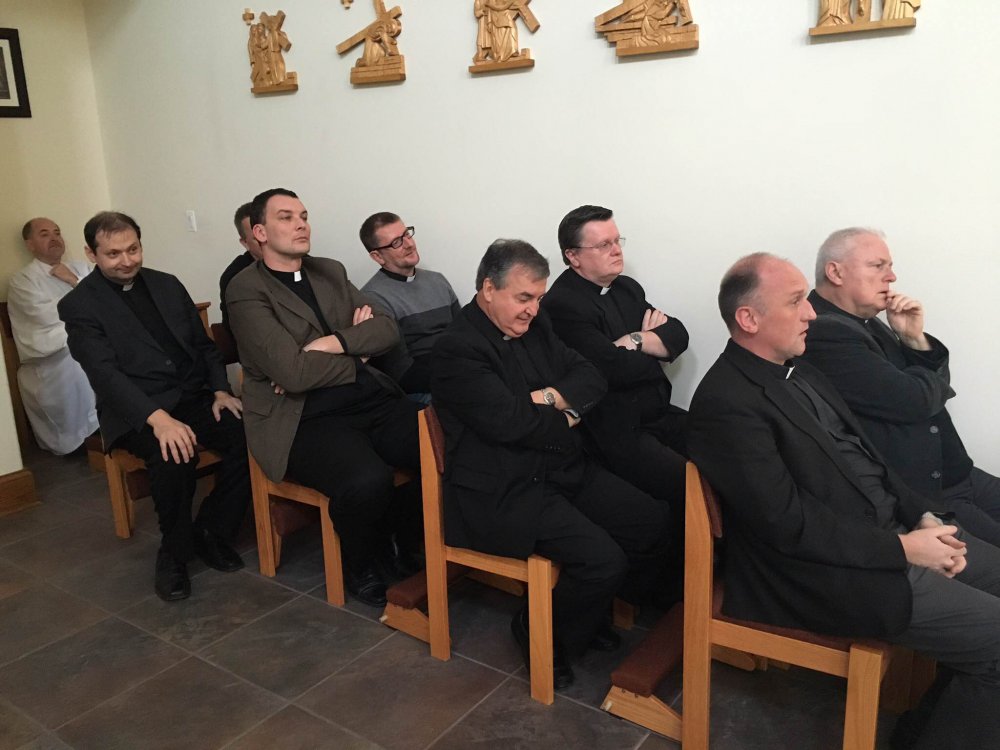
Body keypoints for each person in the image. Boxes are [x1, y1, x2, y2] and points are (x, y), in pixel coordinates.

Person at [687, 252, 1000, 750]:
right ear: (748, 319)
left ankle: (927, 727)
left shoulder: (800, 369)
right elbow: (788, 524)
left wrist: (922, 515)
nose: (811, 312)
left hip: (889, 534)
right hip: (824, 572)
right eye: (795, 302)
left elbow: (873, 461)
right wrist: (904, 549)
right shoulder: (726, 402)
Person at [431, 238, 669, 690]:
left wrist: (547, 400)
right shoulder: (457, 349)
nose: (533, 310)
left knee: (650, 521)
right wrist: (567, 412)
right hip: (505, 488)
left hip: (559, 465)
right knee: (602, 560)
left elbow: (591, 376)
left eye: (539, 298)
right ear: (488, 288)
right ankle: (539, 631)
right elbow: (513, 424)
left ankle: (587, 612)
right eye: (524, 297)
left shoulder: (537, 324)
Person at [227, 189, 422, 608]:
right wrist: (357, 354)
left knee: (442, 447)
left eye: (303, 215)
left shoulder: (329, 270)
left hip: (366, 399)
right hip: (302, 417)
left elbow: (387, 330)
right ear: (259, 232)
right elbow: (292, 375)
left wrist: (331, 344)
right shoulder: (246, 289)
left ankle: (404, 540)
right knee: (367, 480)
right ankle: (360, 563)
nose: (301, 223)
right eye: (286, 217)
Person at [58, 212, 250, 602]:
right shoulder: (79, 305)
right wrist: (158, 420)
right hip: (136, 410)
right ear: (92, 254)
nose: (126, 260)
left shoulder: (166, 284)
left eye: (133, 249)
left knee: (252, 435)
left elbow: (203, 345)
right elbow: (105, 375)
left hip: (193, 397)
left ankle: (211, 530)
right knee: (173, 454)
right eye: (113, 254)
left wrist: (219, 390)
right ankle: (174, 554)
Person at [802, 228, 1000, 546]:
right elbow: (914, 401)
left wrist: (914, 339)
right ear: (835, 272)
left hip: (959, 475)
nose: (892, 277)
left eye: (890, 266)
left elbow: (922, 391)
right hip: (933, 496)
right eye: (877, 266)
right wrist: (930, 383)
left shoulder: (866, 321)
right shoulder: (824, 332)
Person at [542, 205, 688, 523]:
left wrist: (635, 340)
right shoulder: (562, 304)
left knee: (726, 450)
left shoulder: (626, 288)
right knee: (687, 484)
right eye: (603, 245)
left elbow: (679, 335)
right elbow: (613, 370)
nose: (616, 250)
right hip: (616, 430)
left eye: (617, 240)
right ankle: (687, 554)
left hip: (657, 413)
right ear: (573, 256)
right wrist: (651, 348)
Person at [7, 217, 98, 455]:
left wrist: (74, 280)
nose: (54, 238)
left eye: (57, 232)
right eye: (45, 234)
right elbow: (47, 316)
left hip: (91, 336)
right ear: (30, 244)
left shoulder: (82, 269)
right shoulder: (22, 280)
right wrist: (87, 311)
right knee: (83, 355)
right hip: (51, 356)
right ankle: (90, 436)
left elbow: (106, 302)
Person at [359, 212, 460, 399]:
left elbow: (464, 334)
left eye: (407, 234)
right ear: (378, 256)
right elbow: (400, 373)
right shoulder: (374, 298)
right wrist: (459, 375)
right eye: (396, 242)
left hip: (460, 369)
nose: (409, 244)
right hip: (424, 387)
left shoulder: (437, 280)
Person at [219, 201, 264, 338]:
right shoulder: (235, 278)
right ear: (245, 243)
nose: (268, 240)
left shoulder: (306, 264)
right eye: (258, 237)